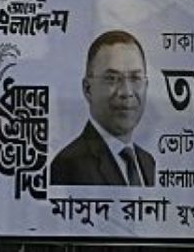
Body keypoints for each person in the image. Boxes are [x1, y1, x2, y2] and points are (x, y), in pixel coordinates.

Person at [51, 30, 156, 187]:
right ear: (88, 89)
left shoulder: (147, 163)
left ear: (146, 85)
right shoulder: (69, 165)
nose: (126, 92)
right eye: (111, 79)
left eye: (135, 78)